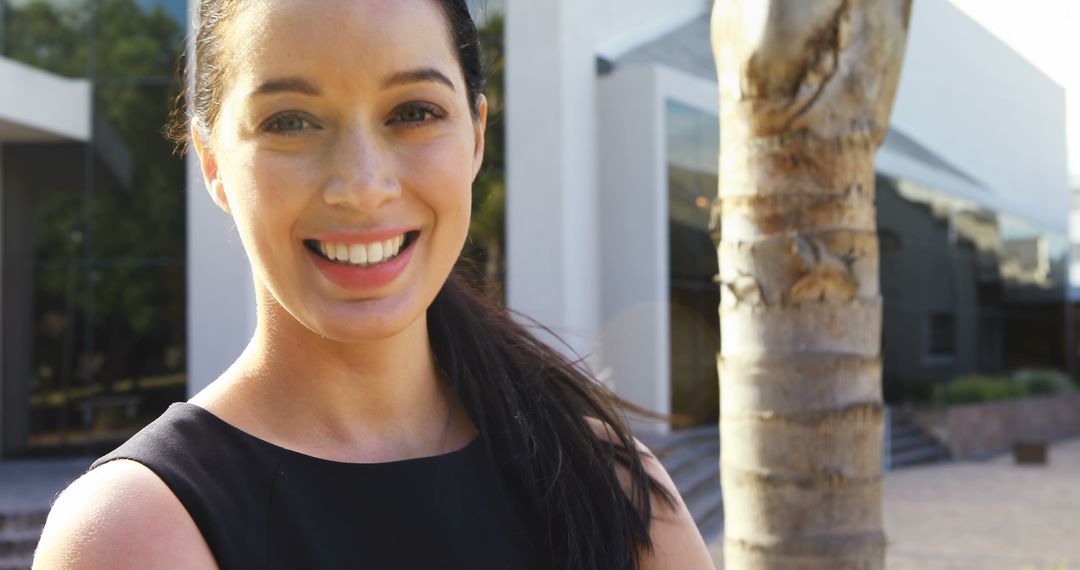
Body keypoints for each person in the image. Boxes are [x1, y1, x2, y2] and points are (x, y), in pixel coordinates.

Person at [33, 0, 714, 568]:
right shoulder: (135, 533)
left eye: (413, 112)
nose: (362, 186)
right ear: (213, 163)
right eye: (290, 122)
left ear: (475, 136)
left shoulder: (607, 484)